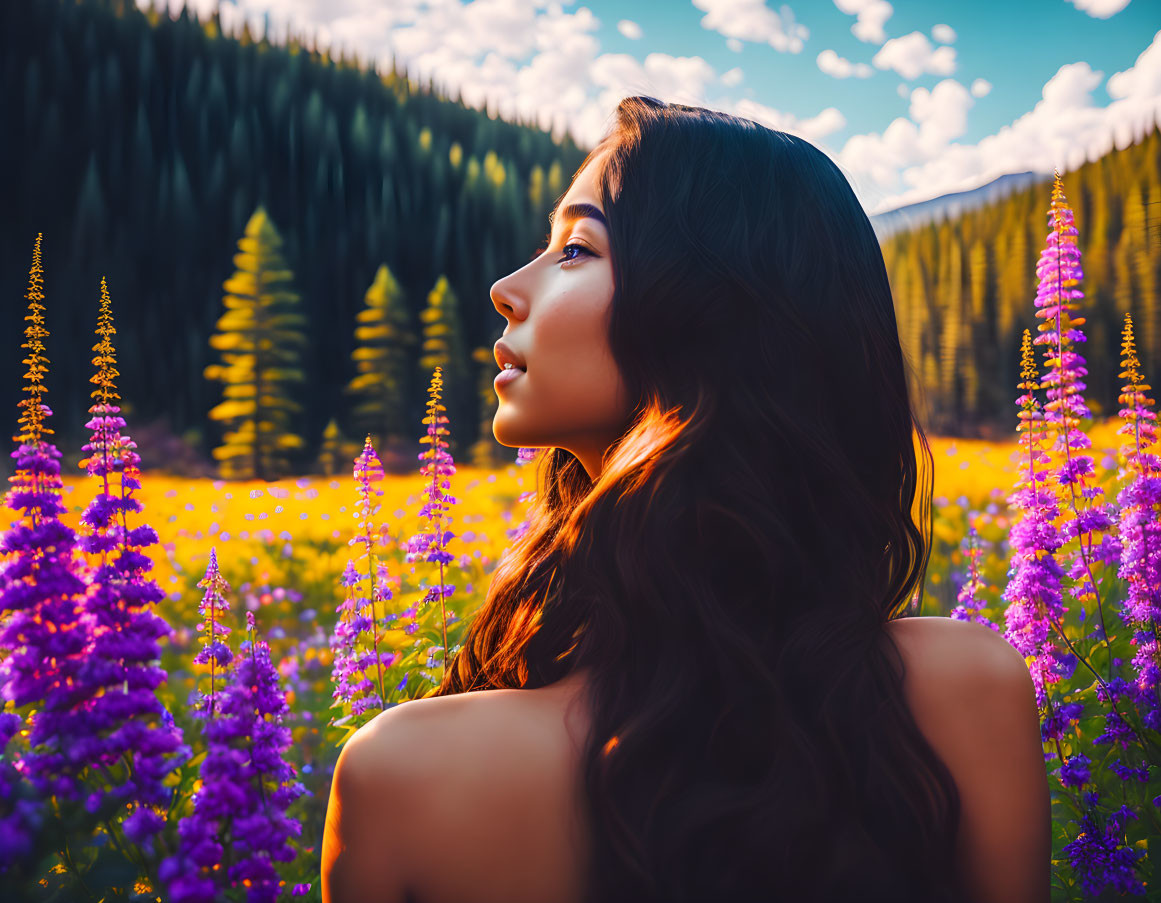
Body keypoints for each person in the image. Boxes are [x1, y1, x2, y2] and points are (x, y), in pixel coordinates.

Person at [321, 95, 1050, 903]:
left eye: (575, 249)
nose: (504, 287)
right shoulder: (965, 690)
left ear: (707, 316)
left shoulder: (404, 775)